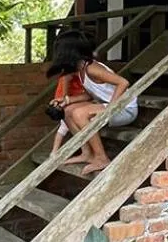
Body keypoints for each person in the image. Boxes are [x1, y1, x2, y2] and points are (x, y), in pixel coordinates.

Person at [44, 32, 137, 175]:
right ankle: (86, 152)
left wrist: (110, 109)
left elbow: (123, 82)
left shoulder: (92, 68)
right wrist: (66, 100)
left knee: (79, 113)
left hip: (125, 109)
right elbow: (90, 94)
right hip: (107, 107)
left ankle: (101, 158)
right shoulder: (80, 70)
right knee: (68, 111)